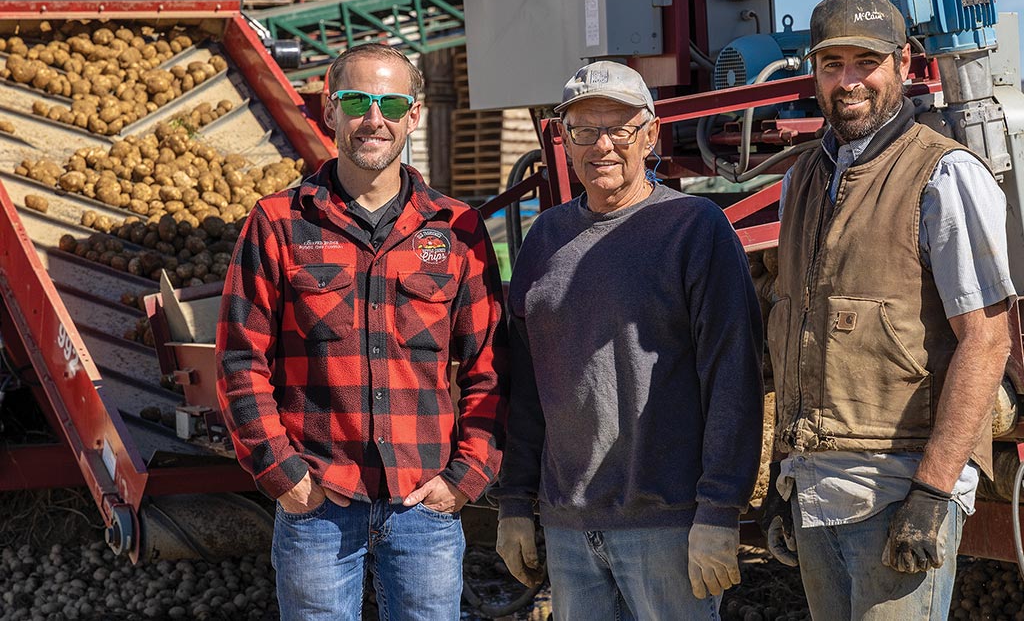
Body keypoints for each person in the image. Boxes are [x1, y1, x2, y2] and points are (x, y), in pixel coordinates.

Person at [216, 43, 508, 621]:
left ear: (413, 115)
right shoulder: (278, 222)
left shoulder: (457, 229)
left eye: (391, 103)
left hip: (425, 504)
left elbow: (491, 367)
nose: (374, 119)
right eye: (356, 100)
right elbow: (238, 361)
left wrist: (468, 476)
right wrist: (283, 475)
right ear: (330, 111)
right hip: (317, 503)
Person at [763, 0, 1015, 619]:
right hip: (815, 484)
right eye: (832, 65)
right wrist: (779, 478)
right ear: (813, 73)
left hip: (897, 490)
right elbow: (793, 333)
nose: (848, 81)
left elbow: (988, 339)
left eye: (865, 63)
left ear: (904, 64)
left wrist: (932, 492)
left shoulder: (944, 174)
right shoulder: (802, 179)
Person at [493, 60, 764, 620]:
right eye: (584, 130)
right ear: (564, 142)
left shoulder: (694, 227)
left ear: (650, 134)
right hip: (569, 527)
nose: (602, 145)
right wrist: (515, 502)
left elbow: (732, 378)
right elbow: (524, 384)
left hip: (668, 523)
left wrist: (719, 510)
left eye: (619, 128)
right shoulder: (545, 237)